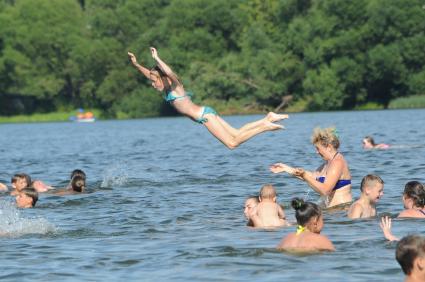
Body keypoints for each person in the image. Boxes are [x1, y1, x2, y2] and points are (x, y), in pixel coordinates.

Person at [127, 47, 289, 150]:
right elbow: (150, 74)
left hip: (204, 116)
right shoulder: (167, 87)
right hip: (207, 112)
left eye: (155, 82)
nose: (153, 84)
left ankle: (265, 127)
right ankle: (267, 118)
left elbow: (168, 73)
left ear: (162, 78)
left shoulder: (176, 86)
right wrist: (136, 64)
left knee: (232, 144)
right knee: (237, 132)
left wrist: (157, 59)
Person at [270, 127, 352, 207]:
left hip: (341, 211)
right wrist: (286, 168)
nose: (316, 152)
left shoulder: (337, 162)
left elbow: (325, 190)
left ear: (329, 147)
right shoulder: (327, 163)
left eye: (318, 148)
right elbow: (312, 178)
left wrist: (304, 175)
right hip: (332, 211)